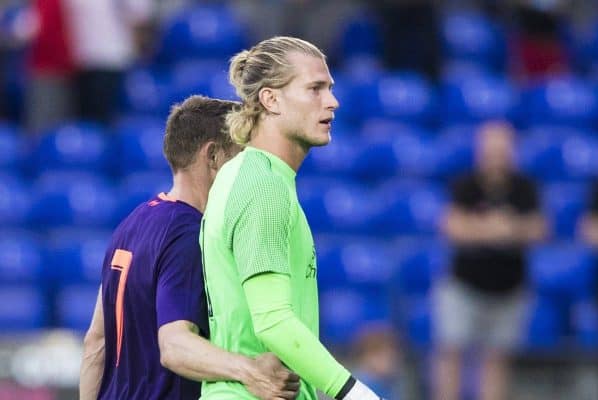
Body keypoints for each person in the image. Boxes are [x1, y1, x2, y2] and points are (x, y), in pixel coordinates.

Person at [79, 95, 300, 400]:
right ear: (213, 156)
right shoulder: (190, 234)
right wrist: (250, 370)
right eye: (242, 156)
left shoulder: (131, 224)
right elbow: (175, 347)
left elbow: (96, 342)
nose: (250, 171)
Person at [200, 36, 383, 400]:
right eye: (315, 88)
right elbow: (272, 321)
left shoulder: (249, 176)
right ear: (271, 99)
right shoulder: (262, 187)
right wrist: (353, 392)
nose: (333, 101)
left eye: (329, 88)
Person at [434, 121, 547, 400]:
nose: (496, 155)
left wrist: (509, 229)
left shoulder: (525, 187)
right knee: (451, 352)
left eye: (502, 149)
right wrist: (494, 229)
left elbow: (540, 229)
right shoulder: (465, 184)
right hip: (464, 286)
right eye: (491, 149)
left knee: (496, 360)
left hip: (509, 289)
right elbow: (451, 226)